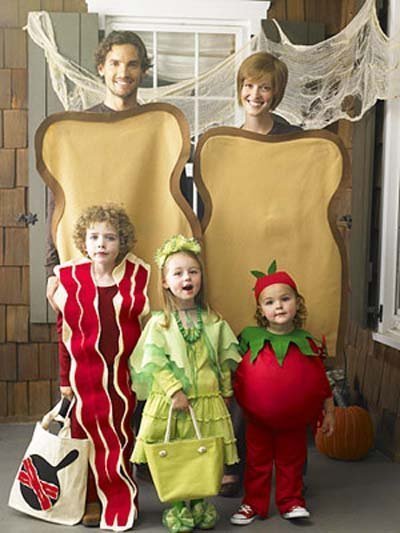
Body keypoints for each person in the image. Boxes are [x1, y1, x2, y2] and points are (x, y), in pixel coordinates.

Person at [219, 51, 302, 498]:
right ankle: (234, 463)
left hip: (281, 260)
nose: (255, 94)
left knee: (280, 367)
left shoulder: (294, 142)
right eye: (249, 86)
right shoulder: (225, 143)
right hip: (234, 259)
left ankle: (288, 465)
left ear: (276, 93)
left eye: (265, 87)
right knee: (238, 365)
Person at [129, 234, 241, 533]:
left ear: (201, 277)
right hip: (173, 403)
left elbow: (222, 360)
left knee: (203, 454)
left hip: (206, 401)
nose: (186, 278)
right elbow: (155, 362)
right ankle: (179, 506)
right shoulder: (160, 323)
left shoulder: (214, 321)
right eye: (177, 273)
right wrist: (173, 390)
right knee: (177, 454)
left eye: (193, 271)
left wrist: (226, 390)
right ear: (165, 282)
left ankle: (201, 502)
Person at [55, 204, 150, 530]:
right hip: (82, 378)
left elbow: (146, 330)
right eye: (94, 237)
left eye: (109, 237)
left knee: (120, 437)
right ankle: (90, 499)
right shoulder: (70, 280)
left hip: (120, 378)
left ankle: (121, 498)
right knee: (83, 438)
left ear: (121, 242)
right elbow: (64, 333)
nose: (101, 244)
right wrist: (64, 378)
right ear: (84, 241)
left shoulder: (136, 280)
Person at [46, 31, 151, 310]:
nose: (123, 72)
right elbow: (58, 200)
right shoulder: (80, 128)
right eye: (115, 63)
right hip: (85, 271)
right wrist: (51, 269)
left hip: (143, 268)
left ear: (143, 71)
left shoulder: (157, 129)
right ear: (102, 67)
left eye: (132, 64)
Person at [230, 261, 335, 526]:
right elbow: (233, 373)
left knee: (292, 461)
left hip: (294, 422)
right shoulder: (249, 339)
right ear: (261, 310)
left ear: (297, 303)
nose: (278, 306)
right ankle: (253, 503)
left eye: (285, 299)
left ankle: (291, 501)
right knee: (257, 461)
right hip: (257, 421)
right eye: (270, 302)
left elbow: (320, 381)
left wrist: (329, 412)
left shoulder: (306, 342)